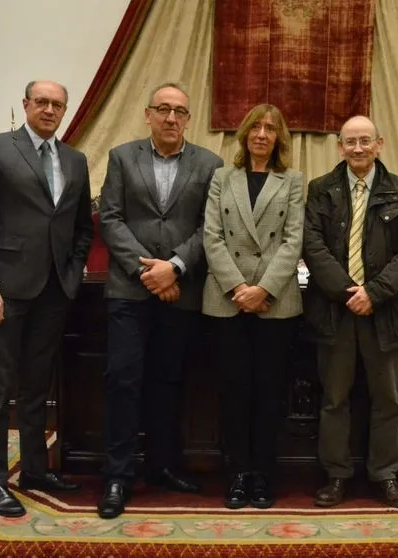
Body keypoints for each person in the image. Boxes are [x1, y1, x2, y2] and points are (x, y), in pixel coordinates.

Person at [0, 80, 94, 517]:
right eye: (42, 102)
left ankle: (35, 469)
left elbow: (81, 226)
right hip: (5, 291)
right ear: (26, 105)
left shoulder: (75, 160)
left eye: (57, 104)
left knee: (37, 388)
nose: (49, 110)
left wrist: (72, 272)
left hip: (54, 292)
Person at [96, 82, 223, 519]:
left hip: (180, 291)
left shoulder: (209, 164)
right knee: (123, 381)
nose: (171, 118)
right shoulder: (121, 157)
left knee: (169, 381)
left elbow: (210, 226)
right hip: (129, 291)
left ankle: (163, 466)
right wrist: (147, 272)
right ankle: (117, 475)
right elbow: (110, 217)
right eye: (163, 109)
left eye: (180, 111)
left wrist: (175, 267)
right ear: (147, 114)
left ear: (188, 118)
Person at [302, 115, 398, 509]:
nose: (357, 148)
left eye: (365, 141)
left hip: (385, 312)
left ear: (379, 144)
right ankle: (336, 475)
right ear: (339, 146)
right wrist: (347, 292)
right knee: (334, 399)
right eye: (350, 141)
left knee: (388, 399)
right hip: (334, 312)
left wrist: (374, 292)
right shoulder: (320, 190)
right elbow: (312, 245)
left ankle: (386, 475)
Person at [202, 104, 305, 509]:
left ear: (279, 138)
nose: (262, 134)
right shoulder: (221, 177)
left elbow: (293, 240)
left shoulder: (292, 180)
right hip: (226, 300)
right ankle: (238, 473)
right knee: (233, 391)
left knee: (269, 392)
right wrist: (238, 287)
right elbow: (212, 236)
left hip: (274, 304)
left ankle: (262, 473)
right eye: (256, 127)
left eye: (270, 128)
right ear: (244, 134)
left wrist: (262, 289)